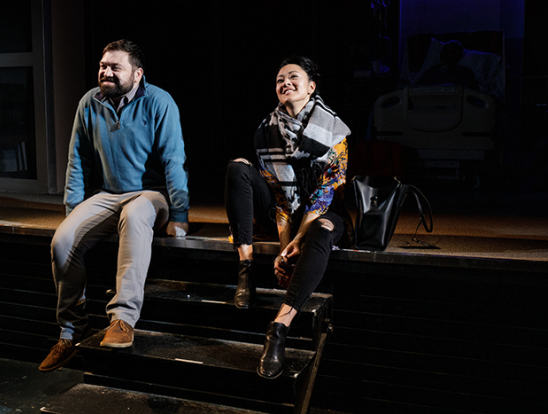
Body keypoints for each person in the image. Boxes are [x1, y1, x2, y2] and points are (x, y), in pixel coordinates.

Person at [39, 39, 189, 372]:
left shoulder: (159, 102)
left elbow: (174, 160)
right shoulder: (88, 103)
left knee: (135, 215)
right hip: (107, 195)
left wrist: (179, 213)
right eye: (103, 66)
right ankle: (71, 331)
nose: (105, 72)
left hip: (151, 193)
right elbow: (76, 160)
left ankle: (122, 319)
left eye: (114, 67)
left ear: (137, 73)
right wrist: (73, 213)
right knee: (63, 241)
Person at [224, 56, 351, 379]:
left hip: (324, 213)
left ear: (311, 87)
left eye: (294, 77)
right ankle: (246, 269)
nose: (285, 83)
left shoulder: (333, 132)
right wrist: (284, 248)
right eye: (280, 79)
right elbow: (280, 198)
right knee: (238, 167)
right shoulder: (266, 131)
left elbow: (326, 195)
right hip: (287, 214)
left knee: (321, 231)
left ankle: (279, 327)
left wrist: (297, 240)